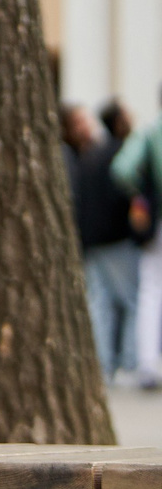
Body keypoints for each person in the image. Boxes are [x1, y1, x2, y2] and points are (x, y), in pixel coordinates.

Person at [66, 102, 140, 381]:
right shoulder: (119, 153)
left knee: (101, 302)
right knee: (130, 301)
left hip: (93, 239)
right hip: (115, 239)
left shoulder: (90, 155)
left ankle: (103, 365)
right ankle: (130, 363)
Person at [109, 93, 162, 389]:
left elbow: (123, 169)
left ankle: (147, 363)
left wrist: (142, 194)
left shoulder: (151, 132)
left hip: (157, 223)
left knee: (151, 289)